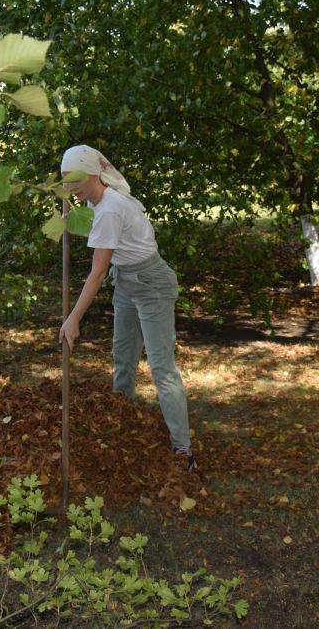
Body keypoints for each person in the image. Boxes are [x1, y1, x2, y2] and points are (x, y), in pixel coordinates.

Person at [58, 145, 196, 471]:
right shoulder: (99, 199)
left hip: (151, 286)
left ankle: (182, 449)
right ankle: (125, 421)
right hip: (127, 283)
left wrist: (73, 319)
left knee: (161, 368)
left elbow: (97, 272)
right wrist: (69, 202)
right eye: (64, 181)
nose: (68, 187)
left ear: (93, 174)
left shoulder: (110, 209)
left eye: (74, 180)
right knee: (123, 356)